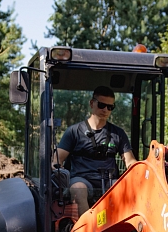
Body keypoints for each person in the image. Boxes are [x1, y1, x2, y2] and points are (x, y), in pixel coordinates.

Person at [55, 86, 137, 214]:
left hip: (109, 181)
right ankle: (87, 231)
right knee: (78, 189)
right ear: (92, 103)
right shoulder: (74, 131)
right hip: (82, 180)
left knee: (130, 190)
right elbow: (56, 161)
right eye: (102, 105)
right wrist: (60, 174)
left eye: (110, 107)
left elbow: (130, 161)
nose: (105, 110)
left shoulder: (118, 133)